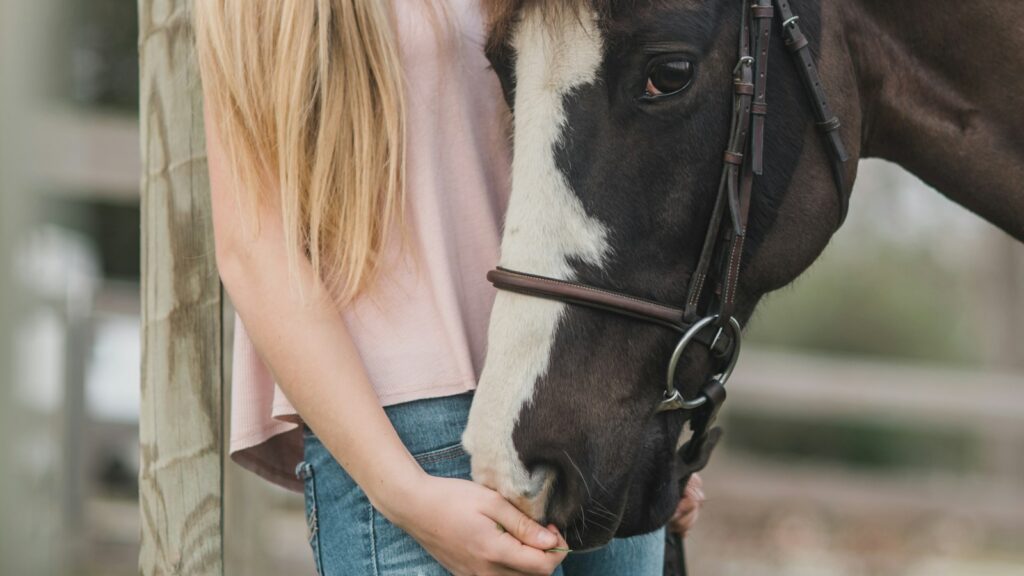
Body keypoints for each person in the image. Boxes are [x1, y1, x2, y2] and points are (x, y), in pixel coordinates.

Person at [194, 1, 704, 574]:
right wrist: (406, 496)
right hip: (416, 435)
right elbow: (256, 251)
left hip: (593, 403)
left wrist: (656, 422)